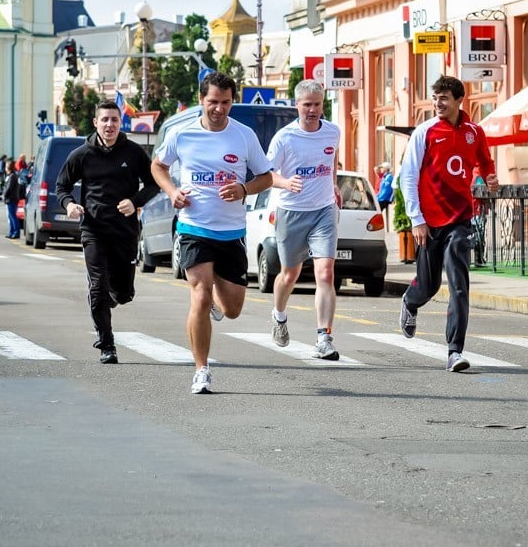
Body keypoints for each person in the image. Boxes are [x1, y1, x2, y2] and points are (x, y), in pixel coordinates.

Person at [151, 72, 273, 394]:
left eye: (225, 102)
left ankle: (218, 287)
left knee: (231, 310)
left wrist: (244, 188)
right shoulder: (182, 134)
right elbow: (158, 166)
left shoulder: (244, 136)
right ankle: (201, 370)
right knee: (200, 295)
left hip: (231, 231)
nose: (219, 109)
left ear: (232, 101)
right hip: (194, 226)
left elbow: (266, 177)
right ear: (201, 100)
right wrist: (172, 192)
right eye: (213, 102)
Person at [398, 76, 499, 372]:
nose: (438, 103)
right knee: (428, 286)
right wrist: (416, 219)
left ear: (458, 101)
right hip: (429, 222)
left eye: (443, 98)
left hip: (460, 219)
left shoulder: (474, 132)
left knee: (458, 286)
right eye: (435, 97)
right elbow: (408, 176)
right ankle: (410, 301)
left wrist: (490, 179)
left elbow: (485, 162)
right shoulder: (425, 132)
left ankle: (455, 351)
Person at [56, 99, 160, 365]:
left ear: (120, 122)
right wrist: (69, 205)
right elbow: (62, 186)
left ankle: (110, 298)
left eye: (114, 120)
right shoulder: (81, 154)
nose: (109, 125)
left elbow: (153, 184)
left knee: (124, 293)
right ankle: (107, 343)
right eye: (104, 120)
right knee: (98, 285)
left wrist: (134, 201)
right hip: (93, 229)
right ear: (96, 123)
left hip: (124, 231)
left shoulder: (133, 153)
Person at [264, 79, 342, 360]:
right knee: (290, 274)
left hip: (323, 209)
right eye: (306, 105)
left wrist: (333, 185)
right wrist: (286, 183)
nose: (312, 110)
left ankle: (324, 337)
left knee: (325, 273)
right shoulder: (284, 138)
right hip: (292, 212)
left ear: (323, 105)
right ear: (296, 105)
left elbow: (332, 161)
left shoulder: (332, 131)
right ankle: (279, 315)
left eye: (317, 105)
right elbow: (267, 174)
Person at [1, 159, 22, 239]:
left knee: (13, 216)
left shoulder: (12, 176)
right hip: (10, 199)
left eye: (6, 167)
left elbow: (9, 188)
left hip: (11, 199)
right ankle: (11, 232)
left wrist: (4, 195)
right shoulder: (10, 176)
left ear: (8, 167)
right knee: (10, 216)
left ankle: (16, 232)